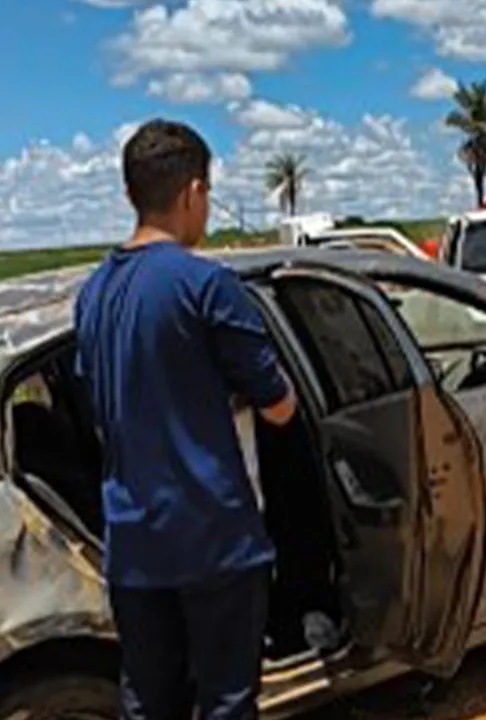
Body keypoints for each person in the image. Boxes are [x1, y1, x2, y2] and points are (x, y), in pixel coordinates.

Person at [73, 118, 298, 719]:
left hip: (133, 543)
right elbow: (280, 406)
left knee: (149, 703)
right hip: (214, 540)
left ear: (130, 194)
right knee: (225, 702)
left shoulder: (92, 293)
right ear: (195, 192)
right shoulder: (208, 285)